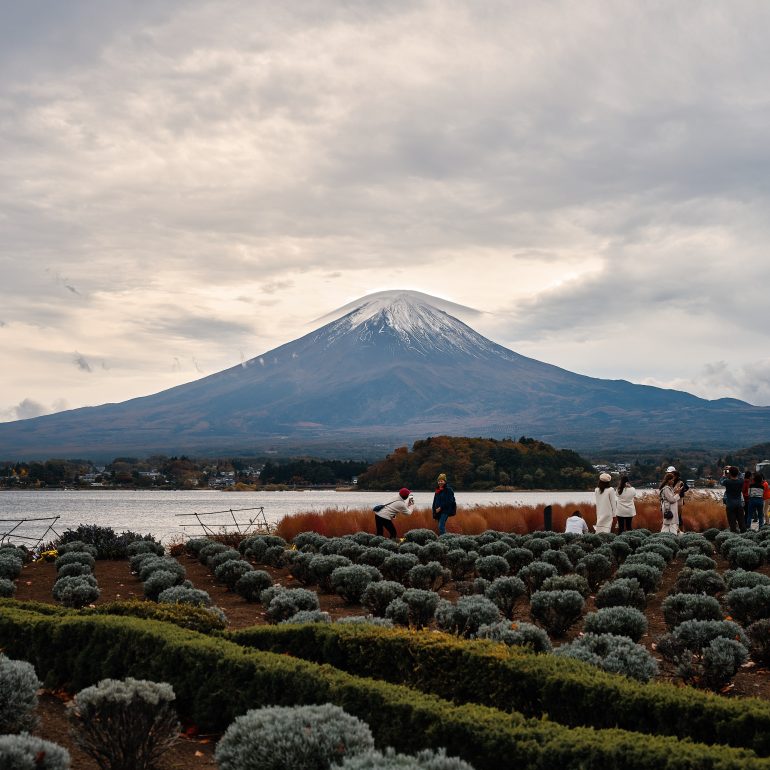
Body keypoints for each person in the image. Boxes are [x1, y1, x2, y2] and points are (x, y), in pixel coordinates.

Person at [720, 466, 746, 533]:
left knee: (732, 523)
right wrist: (733, 468)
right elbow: (741, 476)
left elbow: (721, 481)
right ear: (737, 473)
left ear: (729, 473)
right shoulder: (741, 481)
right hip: (739, 504)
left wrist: (724, 474)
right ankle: (744, 535)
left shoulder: (727, 482)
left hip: (730, 504)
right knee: (741, 522)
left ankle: (734, 534)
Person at [667, 466, 689, 532]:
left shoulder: (680, 481)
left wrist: (680, 492)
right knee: (672, 517)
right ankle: (674, 531)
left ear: (674, 473)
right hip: (672, 499)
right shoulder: (669, 480)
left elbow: (687, 487)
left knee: (678, 517)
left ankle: (680, 531)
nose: (668, 474)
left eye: (670, 472)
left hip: (679, 500)